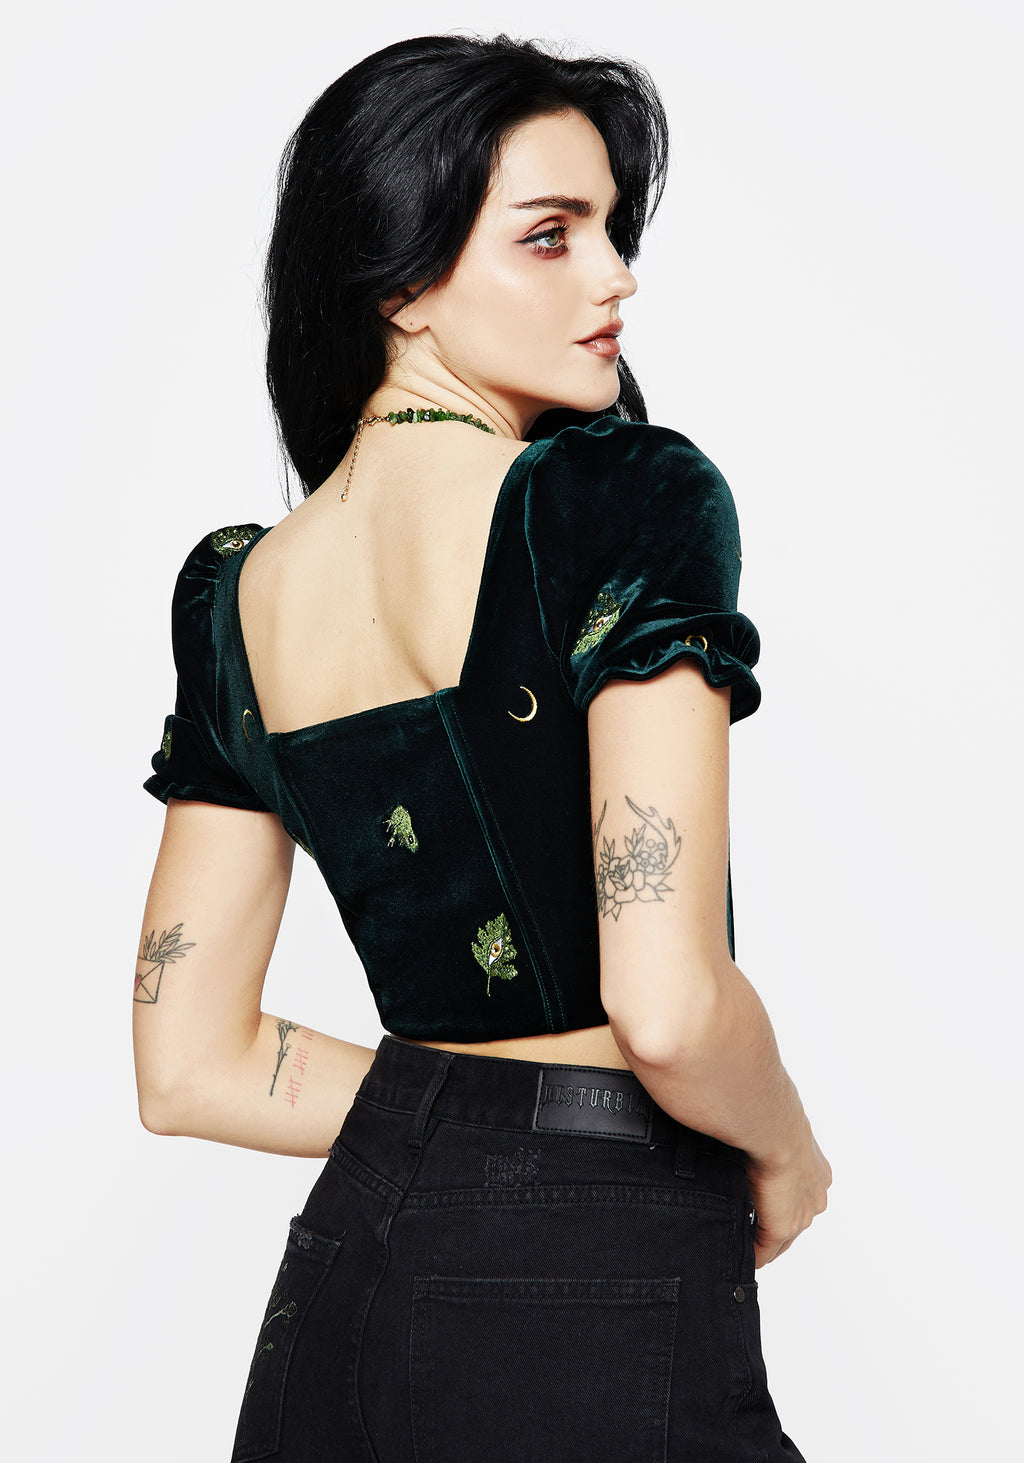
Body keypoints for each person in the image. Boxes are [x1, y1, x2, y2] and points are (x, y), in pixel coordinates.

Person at [134, 32, 831, 1462]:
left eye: (614, 232)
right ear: (399, 279)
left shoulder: (239, 595)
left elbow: (190, 1061)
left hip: (348, 1283)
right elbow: (668, 1007)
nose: (615, 279)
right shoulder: (617, 499)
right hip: (591, 1276)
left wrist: (465, 1120)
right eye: (550, 236)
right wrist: (787, 1149)